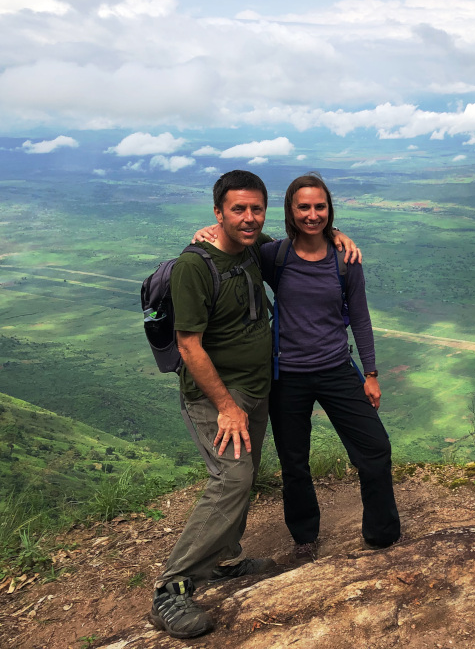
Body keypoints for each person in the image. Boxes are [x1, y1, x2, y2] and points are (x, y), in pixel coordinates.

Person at [150, 170, 359, 639]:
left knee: (245, 476)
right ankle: (171, 588)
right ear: (217, 212)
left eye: (255, 209)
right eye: (237, 209)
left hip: (257, 389)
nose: (248, 218)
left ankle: (224, 560)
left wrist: (335, 233)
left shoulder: (251, 250)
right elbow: (189, 346)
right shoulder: (193, 267)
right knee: (233, 477)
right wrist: (226, 404)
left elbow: (305, 236)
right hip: (218, 396)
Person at [266, 174, 400, 558]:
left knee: (375, 449)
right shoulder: (274, 256)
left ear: (330, 209)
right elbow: (237, 245)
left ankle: (382, 534)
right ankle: (305, 540)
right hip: (287, 375)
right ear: (290, 211)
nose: (312, 215)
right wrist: (209, 231)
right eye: (303, 207)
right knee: (294, 463)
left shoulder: (346, 259)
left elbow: (360, 317)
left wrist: (371, 373)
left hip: (336, 368)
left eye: (320, 207)